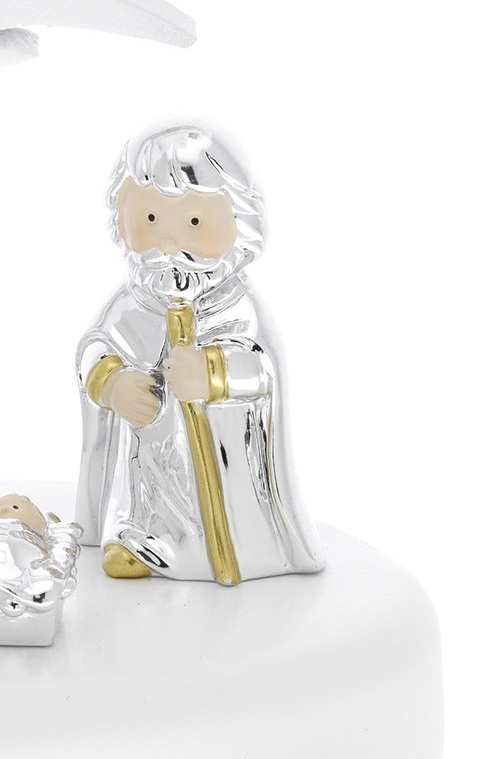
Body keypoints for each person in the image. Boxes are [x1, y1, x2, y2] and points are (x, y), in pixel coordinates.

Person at [75, 126, 323, 584]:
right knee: (147, 491)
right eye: (150, 219)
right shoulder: (133, 303)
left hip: (229, 476)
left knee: (227, 510)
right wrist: (111, 383)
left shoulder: (238, 307)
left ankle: (242, 551)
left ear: (240, 223)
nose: (170, 243)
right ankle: (140, 542)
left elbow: (263, 368)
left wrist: (213, 373)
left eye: (193, 223)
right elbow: (95, 347)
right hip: (152, 466)